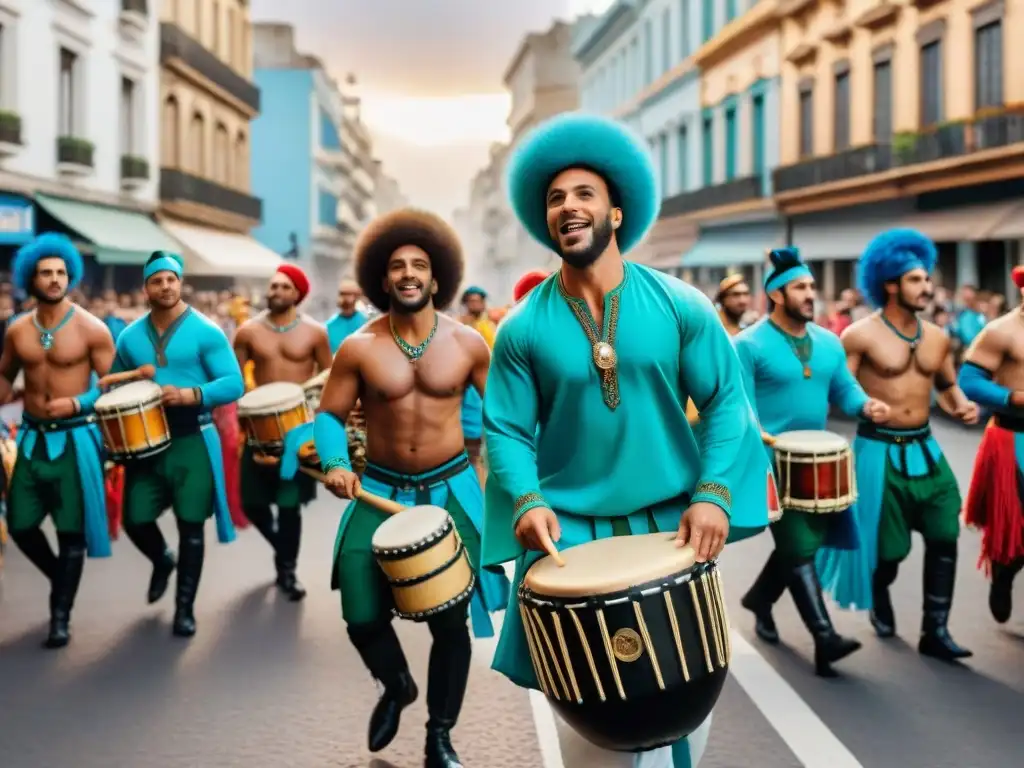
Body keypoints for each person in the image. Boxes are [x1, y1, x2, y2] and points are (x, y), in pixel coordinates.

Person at [482, 112, 772, 768]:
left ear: (616, 213)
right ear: (546, 221)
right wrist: (526, 501)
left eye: (585, 194)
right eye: (556, 198)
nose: (569, 206)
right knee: (592, 745)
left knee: (687, 727)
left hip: (672, 527)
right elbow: (503, 426)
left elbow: (727, 400)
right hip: (569, 539)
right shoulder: (523, 328)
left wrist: (715, 493)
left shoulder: (681, 304)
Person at [312, 208, 509, 767]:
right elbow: (329, 416)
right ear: (383, 278)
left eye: (418, 265)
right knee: (361, 611)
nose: (407, 273)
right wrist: (335, 462)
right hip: (378, 489)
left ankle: (439, 735)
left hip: (450, 492)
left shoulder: (470, 343)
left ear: (436, 277)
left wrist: (521, 481)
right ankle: (396, 685)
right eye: (397, 266)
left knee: (451, 621)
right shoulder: (359, 347)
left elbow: (503, 418)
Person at [816, 229, 978, 662]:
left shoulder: (938, 338)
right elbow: (839, 388)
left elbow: (946, 387)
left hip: (927, 451)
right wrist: (863, 404)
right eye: (915, 280)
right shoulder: (859, 335)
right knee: (889, 552)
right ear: (889, 283)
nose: (926, 288)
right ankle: (880, 594)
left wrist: (961, 405)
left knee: (946, 534)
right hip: (878, 452)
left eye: (927, 279)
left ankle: (935, 630)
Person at [735, 247, 890, 676]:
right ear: (777, 295)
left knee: (802, 544)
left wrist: (867, 406)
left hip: (820, 463)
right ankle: (825, 637)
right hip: (771, 463)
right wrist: (758, 434)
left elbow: (845, 389)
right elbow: (740, 404)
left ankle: (761, 599)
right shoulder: (747, 345)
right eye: (800, 287)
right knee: (800, 545)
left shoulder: (828, 343)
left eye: (810, 287)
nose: (810, 294)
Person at [110, 251, 244, 638]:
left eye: (172, 279)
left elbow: (233, 383)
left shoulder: (207, 331)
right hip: (144, 445)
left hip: (193, 438)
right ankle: (161, 559)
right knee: (135, 518)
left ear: (180, 282)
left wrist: (190, 395)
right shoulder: (130, 336)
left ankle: (184, 609)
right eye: (157, 280)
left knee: (191, 527)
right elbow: (113, 383)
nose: (166, 286)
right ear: (146, 288)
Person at [0, 234, 114, 648]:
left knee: (70, 533)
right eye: (45, 272)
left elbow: (112, 386)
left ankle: (59, 615)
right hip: (30, 439)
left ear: (71, 276)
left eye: (60, 272)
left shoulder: (92, 328)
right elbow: (5, 376)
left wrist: (79, 401)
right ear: (31, 277)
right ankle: (61, 579)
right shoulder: (17, 330)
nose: (53, 279)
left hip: (74, 440)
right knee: (21, 524)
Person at [233, 264, 332, 601]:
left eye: (284, 287)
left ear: (297, 294)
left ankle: (287, 571)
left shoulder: (316, 333)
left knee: (289, 506)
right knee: (251, 504)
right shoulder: (247, 331)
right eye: (273, 286)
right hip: (257, 430)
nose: (275, 291)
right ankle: (282, 547)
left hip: (296, 431)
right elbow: (234, 380)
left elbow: (328, 377)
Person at [958, 265, 1024, 623]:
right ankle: (1003, 573)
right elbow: (968, 381)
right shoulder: (1001, 331)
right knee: (1017, 528)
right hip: (1014, 437)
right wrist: (1014, 398)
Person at [326, 278, 368, 354]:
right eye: (342, 294)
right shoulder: (328, 327)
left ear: (357, 296)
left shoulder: (366, 323)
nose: (345, 298)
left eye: (349, 294)